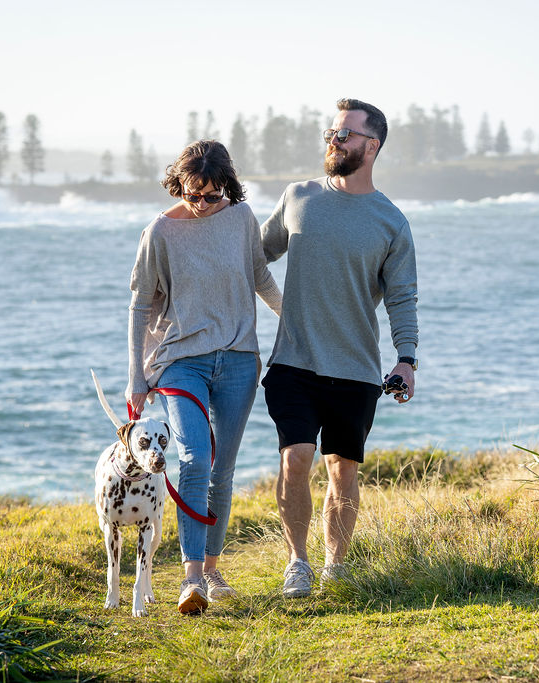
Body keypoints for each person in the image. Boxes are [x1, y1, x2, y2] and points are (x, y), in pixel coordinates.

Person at [260, 98, 419, 597]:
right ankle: (297, 563)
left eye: (345, 135)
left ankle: (336, 566)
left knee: (343, 469)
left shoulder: (390, 221)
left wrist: (407, 359)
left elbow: (402, 297)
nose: (333, 141)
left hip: (355, 367)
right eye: (331, 132)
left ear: (371, 146)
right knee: (296, 458)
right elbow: (251, 255)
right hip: (294, 360)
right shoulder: (298, 196)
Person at [127, 140, 282, 614]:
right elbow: (140, 303)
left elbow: (261, 278)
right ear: (181, 185)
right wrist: (136, 374)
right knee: (194, 457)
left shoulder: (241, 218)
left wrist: (297, 322)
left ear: (227, 189)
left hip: (238, 358)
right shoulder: (159, 232)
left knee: (222, 470)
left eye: (212, 195)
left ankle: (213, 570)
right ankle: (191, 578)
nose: (202, 204)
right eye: (194, 194)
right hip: (181, 361)